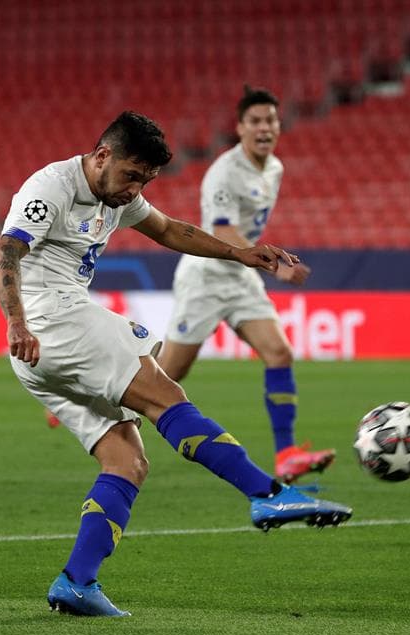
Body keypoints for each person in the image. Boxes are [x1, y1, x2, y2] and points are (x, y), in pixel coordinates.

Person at [0, 110, 352, 618]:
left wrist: (240, 254)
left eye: (146, 179)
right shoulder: (51, 186)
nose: (135, 188)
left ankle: (76, 581)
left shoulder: (119, 193)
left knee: (128, 462)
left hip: (40, 352)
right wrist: (17, 322)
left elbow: (169, 230)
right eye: (131, 175)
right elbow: (5, 252)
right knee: (168, 399)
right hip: (50, 321)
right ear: (101, 156)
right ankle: (267, 493)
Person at [157, 86, 335, 484]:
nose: (264, 128)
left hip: (241, 278)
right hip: (205, 278)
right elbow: (222, 228)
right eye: (254, 121)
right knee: (166, 377)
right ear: (239, 128)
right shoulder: (224, 171)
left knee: (279, 352)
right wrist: (269, 262)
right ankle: (96, 405)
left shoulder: (274, 168)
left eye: (270, 120)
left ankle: (287, 454)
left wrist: (257, 262)